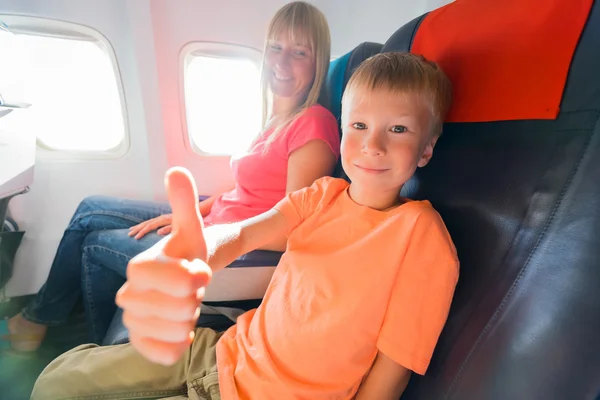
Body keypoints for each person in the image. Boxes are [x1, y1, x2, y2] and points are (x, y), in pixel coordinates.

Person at [32, 52, 459, 400]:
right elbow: (247, 233)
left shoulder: (421, 236)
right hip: (223, 353)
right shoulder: (323, 195)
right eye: (360, 126)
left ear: (426, 149)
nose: (373, 145)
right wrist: (199, 252)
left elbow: (392, 372)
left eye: (398, 129)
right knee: (55, 382)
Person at [5, 1, 340, 350]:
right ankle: (42, 323)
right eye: (275, 47)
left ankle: (77, 343)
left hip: (234, 247)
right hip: (217, 217)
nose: (282, 62)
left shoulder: (314, 124)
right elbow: (242, 192)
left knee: (95, 243)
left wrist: (206, 230)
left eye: (299, 52)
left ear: (318, 62)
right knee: (91, 209)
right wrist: (191, 213)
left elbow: (291, 231)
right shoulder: (272, 120)